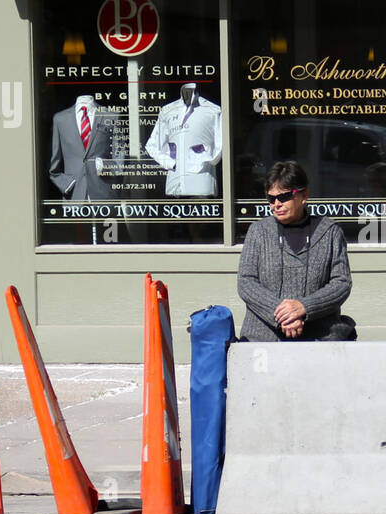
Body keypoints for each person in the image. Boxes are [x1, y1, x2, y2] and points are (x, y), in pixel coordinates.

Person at [237, 160, 357, 341]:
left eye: (284, 197)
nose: (276, 204)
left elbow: (341, 283)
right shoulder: (258, 231)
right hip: (264, 338)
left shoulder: (330, 232)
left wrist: (304, 307)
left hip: (320, 337)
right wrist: (283, 315)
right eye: (271, 198)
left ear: (304, 195)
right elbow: (246, 282)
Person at [145, 82, 222, 197]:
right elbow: (152, 145)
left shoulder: (213, 110)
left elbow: (221, 144)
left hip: (201, 183)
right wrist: (170, 163)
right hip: (174, 184)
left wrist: (203, 160)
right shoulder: (168, 110)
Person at [49, 95, 115, 200]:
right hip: (73, 194)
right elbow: (54, 167)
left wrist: (104, 165)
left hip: (103, 192)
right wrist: (67, 184)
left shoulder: (110, 116)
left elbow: (120, 158)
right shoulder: (60, 119)